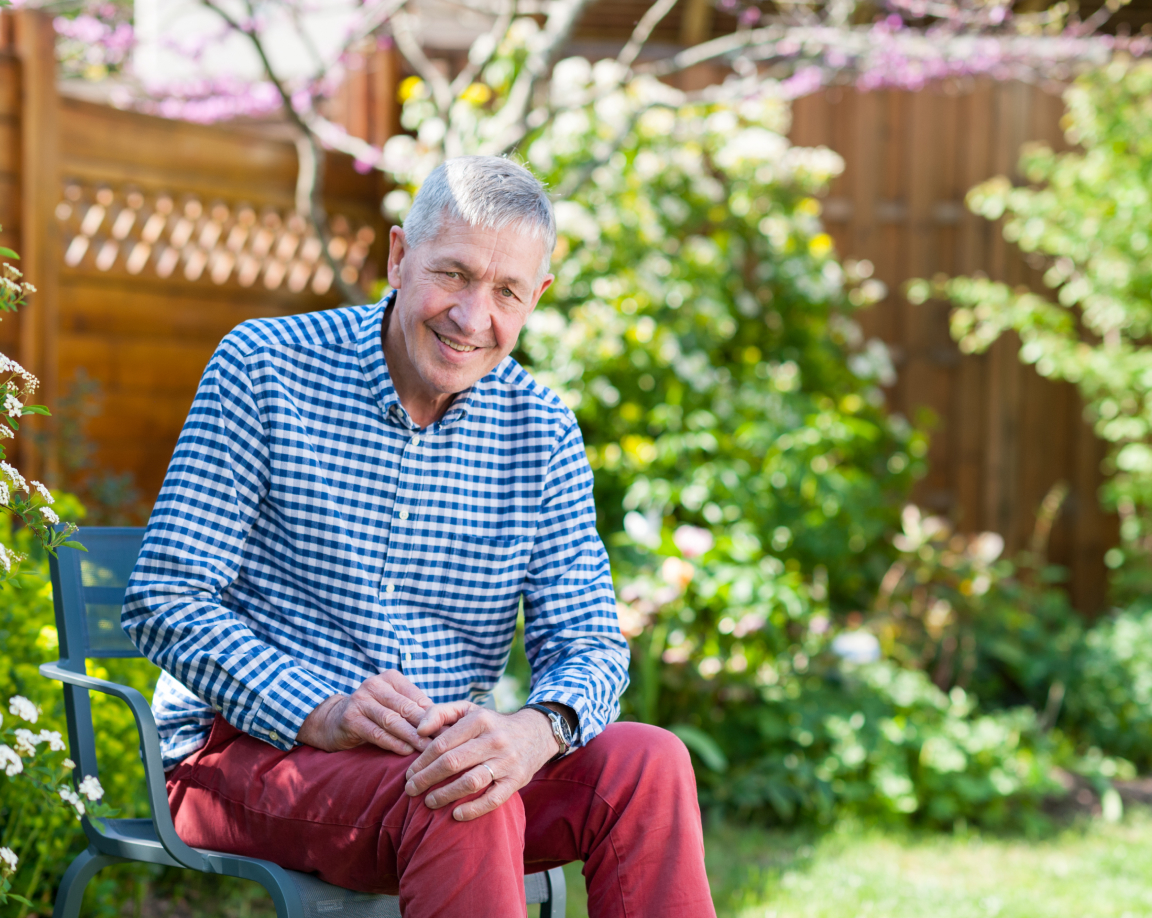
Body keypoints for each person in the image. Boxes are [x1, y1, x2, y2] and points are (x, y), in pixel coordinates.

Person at [123, 155, 717, 918]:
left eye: (506, 291)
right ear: (400, 257)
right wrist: (322, 710)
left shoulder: (541, 430)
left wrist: (535, 732)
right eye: (454, 275)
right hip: (245, 756)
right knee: (460, 796)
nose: (473, 317)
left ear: (537, 297)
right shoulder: (265, 366)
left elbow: (592, 644)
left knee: (649, 765)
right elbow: (166, 599)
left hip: (428, 768)